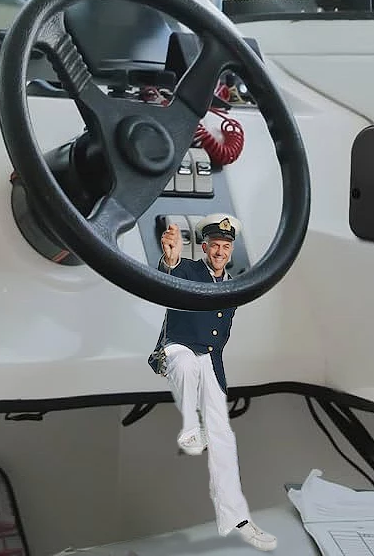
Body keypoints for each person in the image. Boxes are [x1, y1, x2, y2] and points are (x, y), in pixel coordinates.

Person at [149, 213, 277, 552]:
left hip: (211, 361)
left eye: (225, 247)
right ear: (204, 247)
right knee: (185, 366)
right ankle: (191, 429)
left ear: (230, 251)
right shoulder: (190, 271)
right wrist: (170, 259)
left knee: (224, 440)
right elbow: (170, 276)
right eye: (215, 245)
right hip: (179, 348)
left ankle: (237, 519)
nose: (220, 251)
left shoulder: (233, 285)